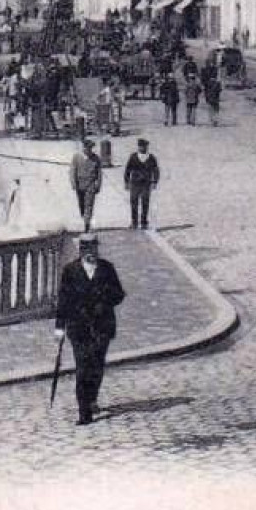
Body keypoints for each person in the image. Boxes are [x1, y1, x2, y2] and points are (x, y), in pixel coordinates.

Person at [54, 234, 125, 426]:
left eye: (93, 248)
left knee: (97, 366)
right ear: (81, 251)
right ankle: (84, 412)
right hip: (79, 327)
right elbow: (63, 300)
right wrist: (59, 327)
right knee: (82, 367)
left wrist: (105, 301)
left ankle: (92, 397)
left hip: (102, 326)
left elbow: (119, 294)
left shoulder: (107, 269)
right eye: (86, 249)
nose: (91, 252)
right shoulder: (70, 271)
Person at [123, 138, 160, 230]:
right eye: (140, 146)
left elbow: (156, 170)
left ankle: (144, 222)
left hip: (146, 183)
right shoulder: (133, 157)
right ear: (138, 147)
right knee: (134, 202)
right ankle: (134, 222)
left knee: (145, 202)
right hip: (135, 183)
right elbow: (128, 169)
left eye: (143, 146)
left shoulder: (151, 157)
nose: (141, 148)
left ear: (146, 147)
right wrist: (126, 182)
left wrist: (155, 181)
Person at [69, 137, 102, 232]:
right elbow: (72, 171)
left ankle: (87, 224)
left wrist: (98, 185)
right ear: (83, 148)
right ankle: (84, 217)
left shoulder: (96, 159)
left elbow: (99, 173)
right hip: (79, 185)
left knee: (89, 205)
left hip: (90, 185)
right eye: (87, 148)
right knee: (81, 205)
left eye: (90, 149)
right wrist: (73, 183)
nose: (88, 151)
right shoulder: (76, 157)